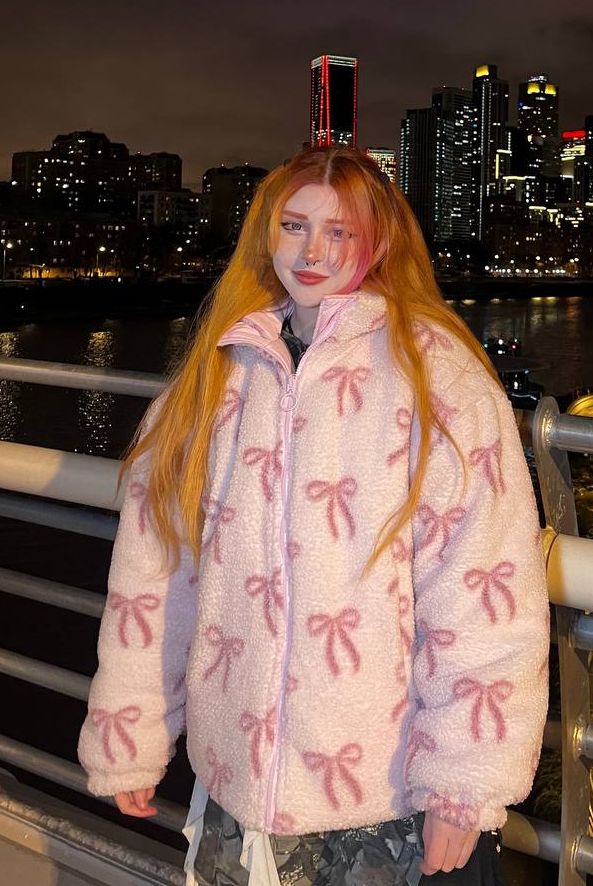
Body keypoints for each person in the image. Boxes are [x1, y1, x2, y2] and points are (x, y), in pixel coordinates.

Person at [78, 145, 550, 886]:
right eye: (295, 226)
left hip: (385, 795)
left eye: (340, 232)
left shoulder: (438, 378)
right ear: (265, 232)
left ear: (378, 243)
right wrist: (131, 730)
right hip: (236, 785)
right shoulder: (215, 375)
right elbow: (156, 568)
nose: (312, 252)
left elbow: (486, 587)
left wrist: (465, 784)